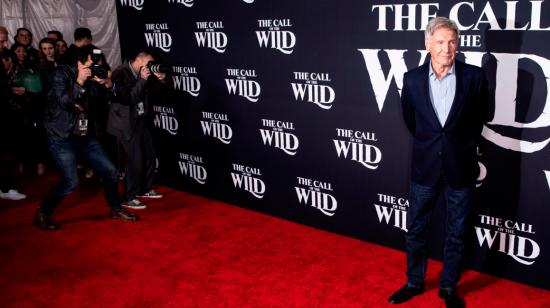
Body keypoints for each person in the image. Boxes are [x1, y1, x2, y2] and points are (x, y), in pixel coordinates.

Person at [387, 17, 489, 308]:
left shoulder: (475, 77)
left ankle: (448, 288)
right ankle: (413, 282)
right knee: (416, 228)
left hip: (461, 167)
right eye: (441, 41)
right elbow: (412, 120)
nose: (447, 48)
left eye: (452, 41)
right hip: (425, 167)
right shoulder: (412, 79)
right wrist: (434, 142)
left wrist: (458, 143)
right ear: (427, 43)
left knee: (457, 231)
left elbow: (482, 116)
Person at [33, 45, 138, 231]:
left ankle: (115, 209)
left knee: (111, 171)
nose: (94, 67)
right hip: (61, 136)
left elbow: (120, 97)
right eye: (91, 63)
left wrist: (107, 83)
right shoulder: (61, 74)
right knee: (70, 182)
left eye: (97, 63)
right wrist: (80, 81)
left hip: (85, 136)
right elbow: (65, 103)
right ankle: (43, 211)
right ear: (79, 62)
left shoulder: (94, 75)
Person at [109, 52, 165, 210]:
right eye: (149, 63)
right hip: (125, 124)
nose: (150, 67)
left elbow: (151, 94)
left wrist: (160, 80)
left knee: (150, 156)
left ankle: (144, 189)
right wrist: (142, 80)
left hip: (140, 121)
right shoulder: (120, 73)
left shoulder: (143, 73)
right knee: (135, 161)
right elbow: (128, 99)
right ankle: (129, 196)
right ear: (138, 60)